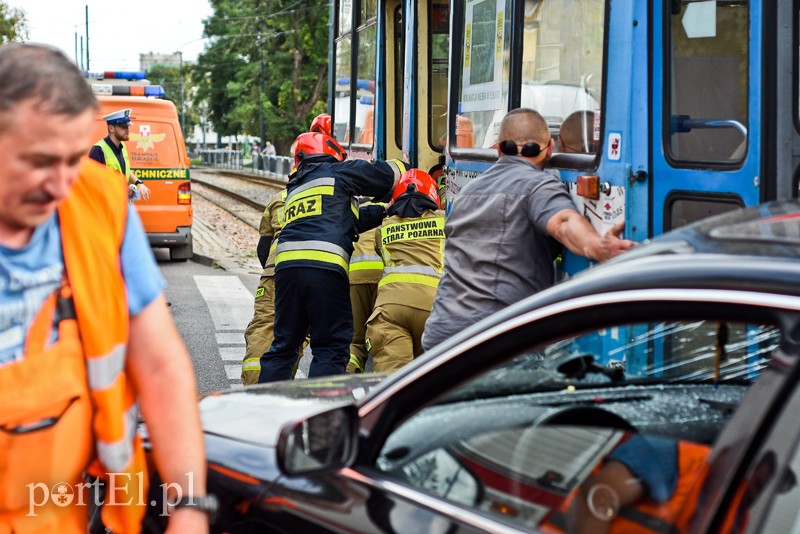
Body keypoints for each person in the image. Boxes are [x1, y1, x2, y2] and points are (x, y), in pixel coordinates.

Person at [0, 44, 209, 533]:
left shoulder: (99, 208)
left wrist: (189, 506)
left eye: (73, 159)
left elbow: (159, 366)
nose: (61, 186)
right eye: (39, 161)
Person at [422, 108, 635, 352]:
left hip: (441, 339)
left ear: (498, 148)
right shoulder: (538, 185)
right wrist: (597, 247)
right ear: (551, 148)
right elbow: (563, 223)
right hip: (493, 339)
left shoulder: (467, 193)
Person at [258, 132, 406, 382]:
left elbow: (344, 221)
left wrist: (383, 212)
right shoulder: (337, 172)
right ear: (331, 154)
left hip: (286, 273)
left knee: (284, 346)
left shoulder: (295, 188)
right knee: (330, 347)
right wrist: (406, 165)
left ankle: (267, 401)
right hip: (324, 270)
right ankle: (322, 403)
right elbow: (384, 176)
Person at [365, 169, 445, 373]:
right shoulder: (444, 222)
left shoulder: (383, 228)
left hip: (391, 307)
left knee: (392, 379)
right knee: (431, 377)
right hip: (433, 307)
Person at [346, 200, 386, 374]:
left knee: (355, 341)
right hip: (383, 278)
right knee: (385, 341)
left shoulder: (359, 211)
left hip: (355, 277)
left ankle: (348, 377)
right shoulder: (394, 212)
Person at [88, 108, 151, 202]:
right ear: (111, 128)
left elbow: (126, 171)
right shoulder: (98, 150)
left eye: (127, 127)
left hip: (120, 204)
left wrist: (138, 183)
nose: (127, 130)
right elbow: (92, 184)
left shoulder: (122, 146)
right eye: (123, 127)